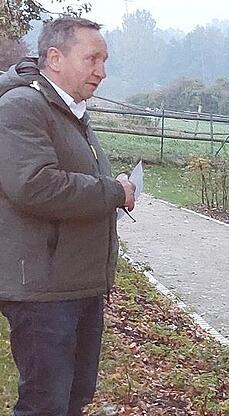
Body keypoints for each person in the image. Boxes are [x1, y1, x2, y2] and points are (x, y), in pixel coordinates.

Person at [0, 16, 136, 415]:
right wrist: (113, 191)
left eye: (105, 60)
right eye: (92, 59)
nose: (102, 71)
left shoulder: (72, 112)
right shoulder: (21, 107)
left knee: (73, 399)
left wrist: (112, 187)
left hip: (77, 284)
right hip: (43, 289)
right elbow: (35, 186)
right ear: (55, 58)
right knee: (45, 404)